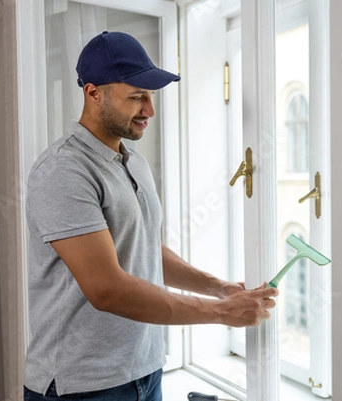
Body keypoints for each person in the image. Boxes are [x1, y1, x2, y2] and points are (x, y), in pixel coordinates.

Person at [23, 31, 278, 400]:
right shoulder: (64, 170)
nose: (150, 111)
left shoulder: (133, 162)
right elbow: (106, 289)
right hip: (83, 385)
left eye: (152, 96)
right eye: (136, 97)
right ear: (93, 93)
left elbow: (141, 245)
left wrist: (217, 287)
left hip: (145, 369)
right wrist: (222, 313)